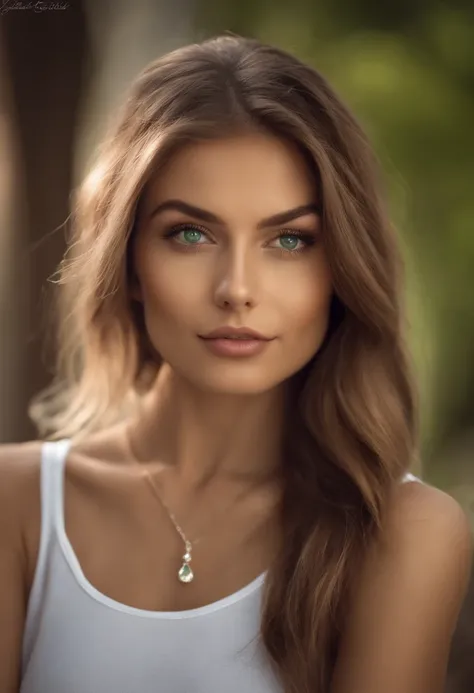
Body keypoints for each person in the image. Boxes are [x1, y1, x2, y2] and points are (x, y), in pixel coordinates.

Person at [0, 34, 471, 693]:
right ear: (129, 258)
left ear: (340, 268)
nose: (237, 288)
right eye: (190, 233)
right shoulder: (15, 504)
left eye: (289, 239)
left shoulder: (400, 531)